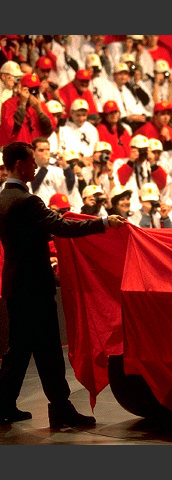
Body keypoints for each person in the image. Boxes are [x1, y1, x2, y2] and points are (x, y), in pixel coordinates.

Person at [0, 141, 127, 427]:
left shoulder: (3, 199)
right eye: (32, 161)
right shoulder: (28, 201)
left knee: (19, 350)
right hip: (34, 287)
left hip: (15, 284)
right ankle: (60, 409)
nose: (35, 166)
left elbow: (26, 237)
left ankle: (5, 404)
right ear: (21, 164)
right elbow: (61, 227)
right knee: (46, 350)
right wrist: (104, 223)